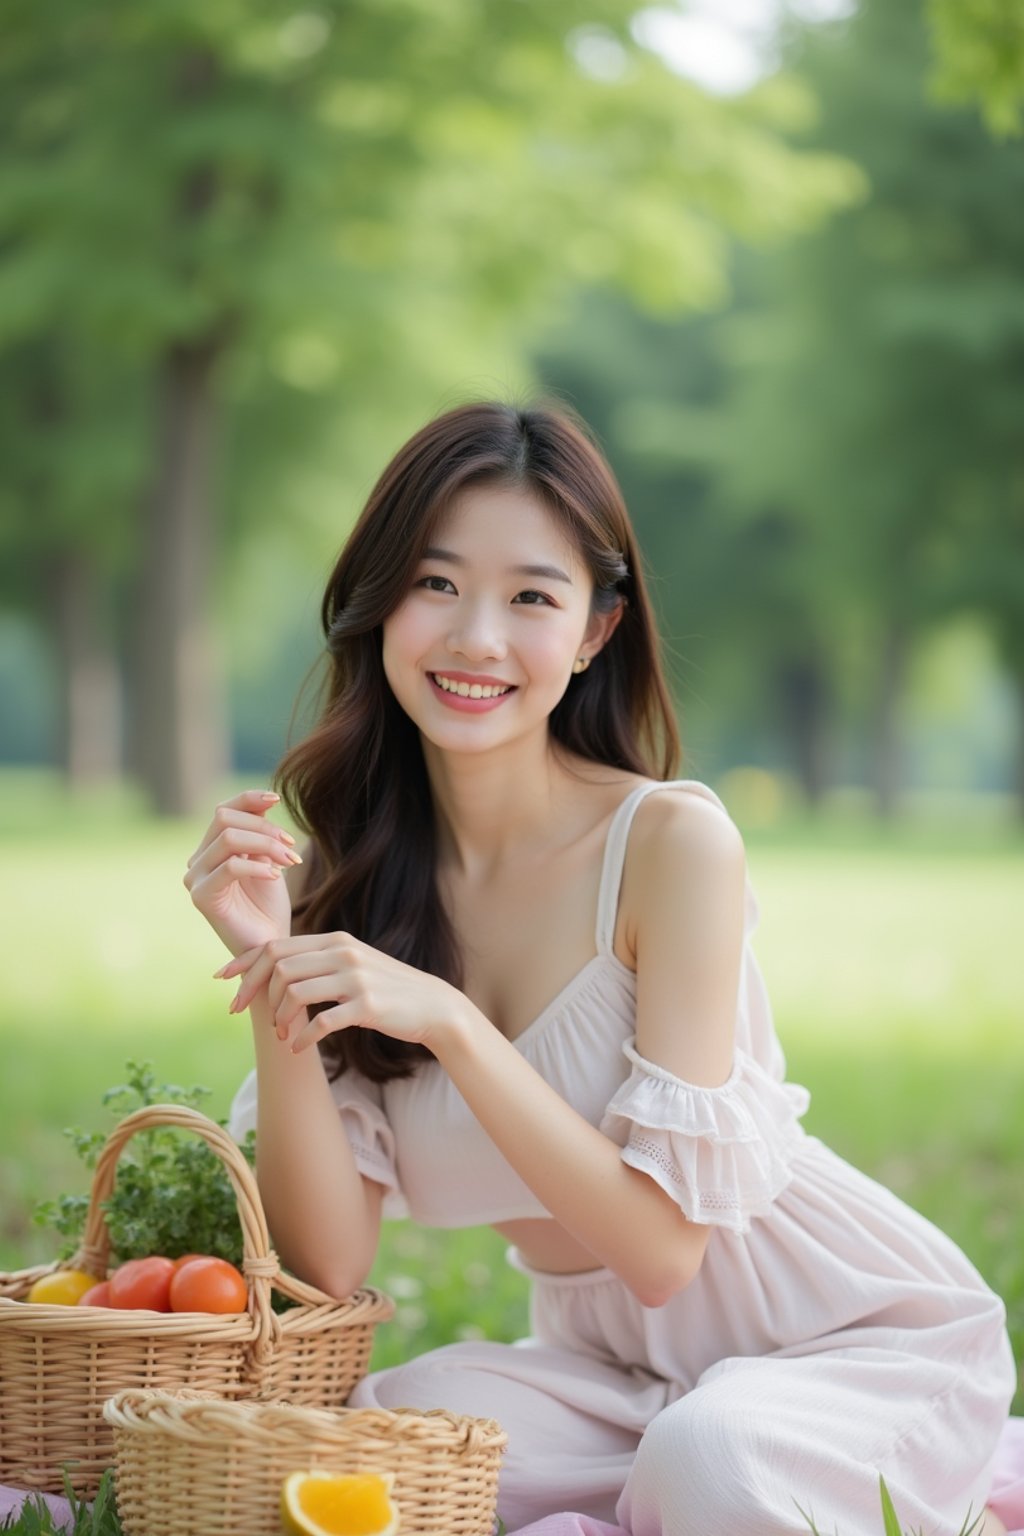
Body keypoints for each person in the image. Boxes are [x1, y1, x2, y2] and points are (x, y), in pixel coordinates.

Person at [184, 400, 1017, 1536]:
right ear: (380, 604)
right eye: (436, 584)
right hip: (613, 1379)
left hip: (851, 1344)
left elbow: (664, 1251)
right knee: (377, 1447)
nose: (477, 636)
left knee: (710, 1463)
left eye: (531, 596)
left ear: (592, 631)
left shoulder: (670, 846)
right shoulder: (360, 891)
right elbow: (327, 1270)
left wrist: (457, 1030)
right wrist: (275, 970)